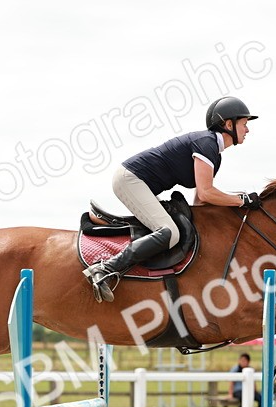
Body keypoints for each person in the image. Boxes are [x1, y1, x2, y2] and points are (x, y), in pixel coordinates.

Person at [83, 96, 261, 302]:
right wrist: (242, 201)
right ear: (228, 124)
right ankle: (104, 269)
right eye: (244, 124)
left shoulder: (213, 151)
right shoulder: (207, 144)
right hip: (131, 179)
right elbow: (206, 192)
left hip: (139, 182)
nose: (247, 130)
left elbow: (200, 201)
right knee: (169, 233)